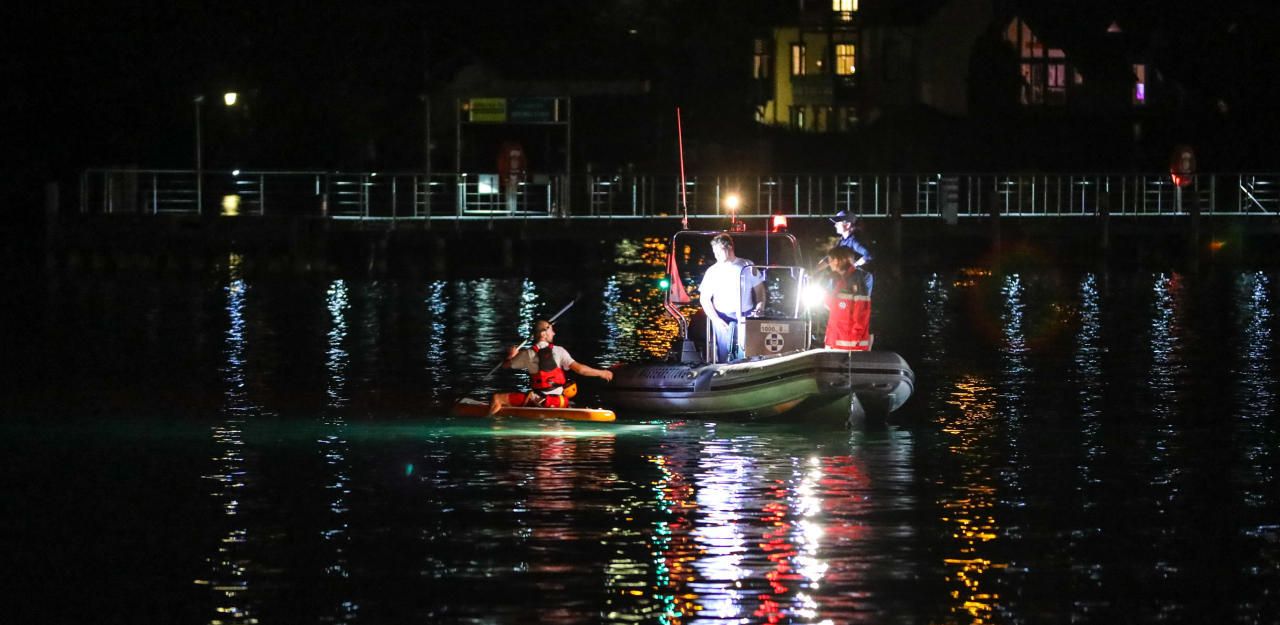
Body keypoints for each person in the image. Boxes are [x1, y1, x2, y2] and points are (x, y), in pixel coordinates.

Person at [489, 319, 613, 414]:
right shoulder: (560, 351)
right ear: (543, 334)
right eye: (551, 330)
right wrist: (602, 373)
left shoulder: (527, 354)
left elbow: (506, 366)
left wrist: (511, 356)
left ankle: (489, 422)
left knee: (496, 398)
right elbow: (581, 369)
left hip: (540, 402)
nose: (554, 333)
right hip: (561, 402)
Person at [699, 233, 766, 363]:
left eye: (719, 251)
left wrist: (760, 307)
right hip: (723, 318)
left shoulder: (747, 265)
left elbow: (759, 289)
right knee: (725, 355)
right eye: (714, 252)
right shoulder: (712, 271)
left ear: (729, 248)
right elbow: (704, 298)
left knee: (748, 353)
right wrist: (716, 319)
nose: (716, 255)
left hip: (747, 316)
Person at [822, 246, 872, 350]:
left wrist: (856, 339)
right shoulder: (838, 279)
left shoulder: (857, 279)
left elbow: (862, 312)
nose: (829, 264)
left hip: (849, 344)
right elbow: (835, 309)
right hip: (837, 341)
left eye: (830, 261)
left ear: (836, 261)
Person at [829, 210, 874, 296]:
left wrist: (854, 265)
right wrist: (814, 271)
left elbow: (868, 254)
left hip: (861, 279)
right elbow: (829, 259)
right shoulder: (842, 242)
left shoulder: (854, 240)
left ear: (847, 225)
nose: (835, 225)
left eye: (838, 223)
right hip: (852, 278)